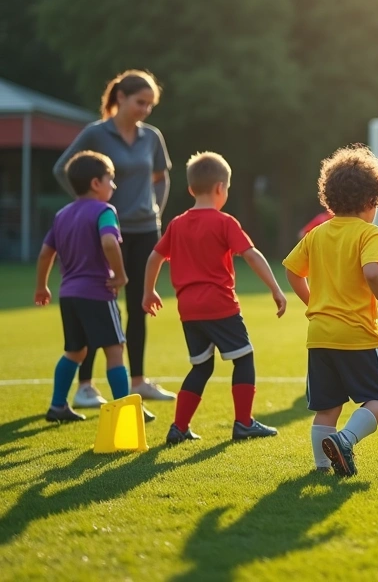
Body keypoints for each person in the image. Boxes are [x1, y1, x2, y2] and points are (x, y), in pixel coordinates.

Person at [283, 146, 378, 477]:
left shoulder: (317, 233)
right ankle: (346, 440)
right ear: (372, 201)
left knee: (327, 407)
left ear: (330, 199)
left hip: (320, 335)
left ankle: (322, 468)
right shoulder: (369, 233)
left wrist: (313, 302)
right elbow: (372, 272)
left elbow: (293, 272)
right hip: (358, 334)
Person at [143, 152, 288, 444]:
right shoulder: (225, 222)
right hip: (219, 304)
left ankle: (179, 427)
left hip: (189, 308)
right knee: (244, 358)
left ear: (190, 188)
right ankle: (244, 423)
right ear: (221, 188)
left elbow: (155, 256)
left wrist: (149, 291)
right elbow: (252, 255)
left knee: (202, 366)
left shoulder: (178, 224)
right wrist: (275, 288)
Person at [53, 70, 175, 407]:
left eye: (150, 105)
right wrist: (89, 208)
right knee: (95, 304)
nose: (146, 110)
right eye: (141, 102)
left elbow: (161, 177)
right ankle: (86, 386)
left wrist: (155, 211)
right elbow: (63, 168)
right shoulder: (96, 133)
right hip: (103, 234)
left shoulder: (151, 136)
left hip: (144, 230)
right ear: (120, 97)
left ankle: (138, 381)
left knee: (139, 306)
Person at [34, 152, 133, 422]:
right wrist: (121, 275)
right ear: (95, 183)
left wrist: (42, 286)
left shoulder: (62, 215)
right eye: (110, 180)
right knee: (115, 351)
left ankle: (57, 406)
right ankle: (124, 415)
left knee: (75, 351)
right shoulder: (105, 211)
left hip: (69, 295)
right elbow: (110, 243)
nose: (113, 186)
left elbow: (45, 254)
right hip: (97, 293)